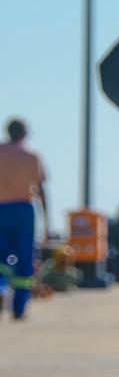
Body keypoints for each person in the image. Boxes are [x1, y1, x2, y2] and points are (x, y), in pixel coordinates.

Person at [0, 118, 48, 320]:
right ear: (25, 134)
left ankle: (1, 290)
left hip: (1, 209)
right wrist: (47, 220)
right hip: (23, 210)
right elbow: (42, 190)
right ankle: (19, 308)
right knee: (24, 258)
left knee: (1, 256)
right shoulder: (32, 155)